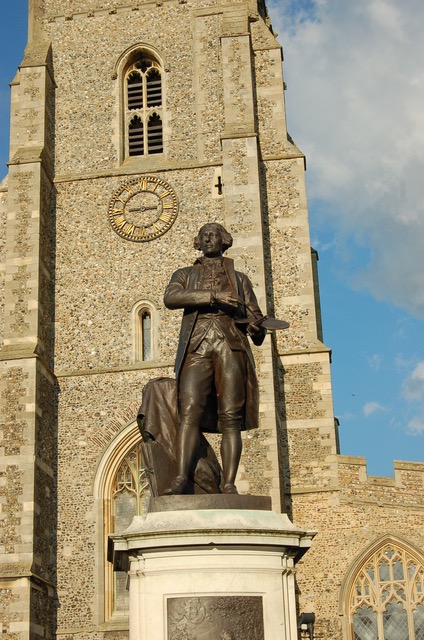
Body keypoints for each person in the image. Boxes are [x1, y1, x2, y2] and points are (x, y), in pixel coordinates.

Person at [163, 222, 266, 495]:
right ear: (198, 242)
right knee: (189, 411)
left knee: (231, 416)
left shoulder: (240, 279)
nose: (208, 239)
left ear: (224, 241)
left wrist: (256, 326)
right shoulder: (185, 274)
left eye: (214, 235)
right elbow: (171, 297)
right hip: (197, 346)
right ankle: (181, 479)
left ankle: (229, 484)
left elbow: (253, 318)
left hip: (230, 346)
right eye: (204, 236)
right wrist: (213, 296)